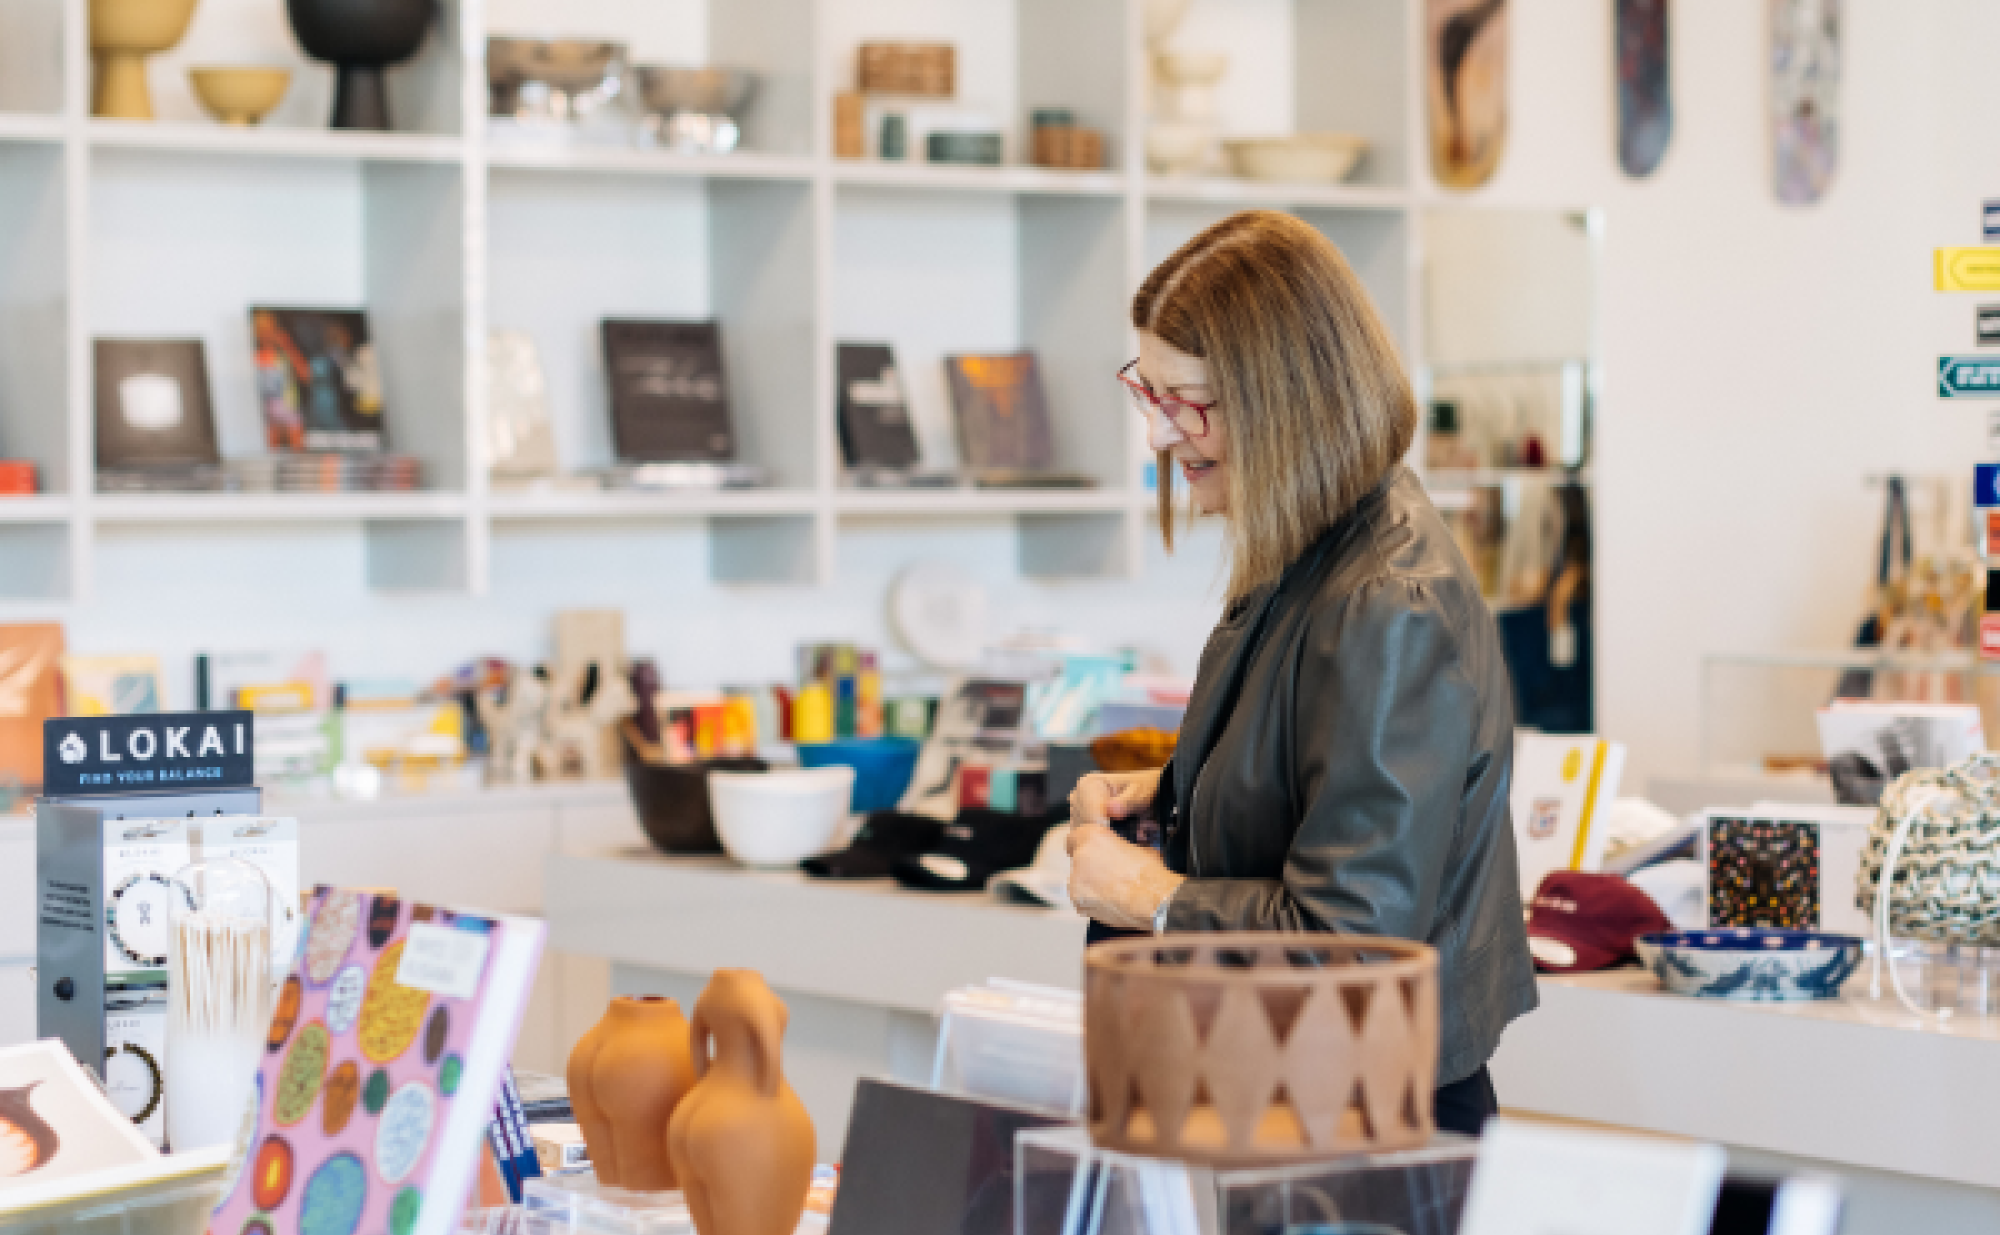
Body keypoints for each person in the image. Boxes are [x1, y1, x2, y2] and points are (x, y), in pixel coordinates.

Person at [1065, 210, 1537, 1137]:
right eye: (1149, 396)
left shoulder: (1388, 602)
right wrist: (1174, 795)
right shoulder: (1311, 549)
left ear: (1286, 398)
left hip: (1364, 1126)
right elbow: (1322, 779)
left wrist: (1148, 894)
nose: (1161, 438)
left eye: (1188, 403)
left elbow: (1349, 947)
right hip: (1287, 1092)